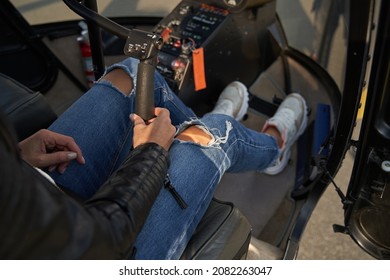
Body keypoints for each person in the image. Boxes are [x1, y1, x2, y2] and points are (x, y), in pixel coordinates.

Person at [0, 57, 307, 259]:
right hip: (104, 252)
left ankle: (192, 127)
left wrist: (14, 155)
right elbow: (103, 241)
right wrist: (151, 153)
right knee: (216, 134)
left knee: (132, 73)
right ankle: (273, 151)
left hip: (33, 198)